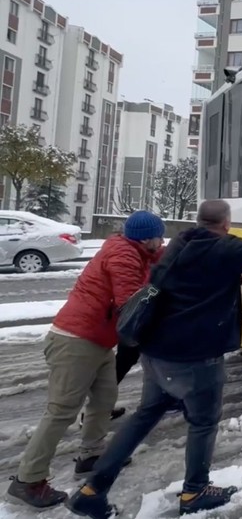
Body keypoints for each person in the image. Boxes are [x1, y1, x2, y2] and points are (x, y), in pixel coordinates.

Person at [66, 200, 242, 518]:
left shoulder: (181, 244)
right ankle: (195, 491)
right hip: (194, 356)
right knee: (203, 423)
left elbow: (198, 278)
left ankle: (93, 490)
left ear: (199, 221)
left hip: (157, 351)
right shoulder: (223, 249)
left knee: (144, 416)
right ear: (226, 224)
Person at [6, 211, 166, 510]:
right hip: (75, 340)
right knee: (62, 411)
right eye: (160, 236)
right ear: (147, 238)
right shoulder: (123, 257)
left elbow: (162, 259)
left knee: (104, 399)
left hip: (98, 341)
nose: (161, 241)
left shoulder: (136, 252)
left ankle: (91, 455)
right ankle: (27, 480)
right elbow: (132, 303)